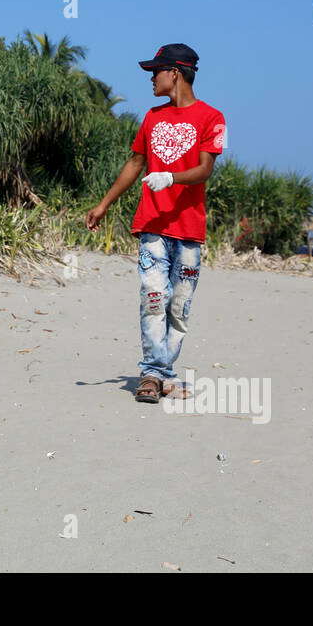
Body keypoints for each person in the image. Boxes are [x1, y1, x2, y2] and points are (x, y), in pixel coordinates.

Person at [86, 43, 226, 403]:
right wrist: (103, 204)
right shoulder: (151, 117)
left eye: (156, 71)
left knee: (178, 306)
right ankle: (152, 374)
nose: (151, 78)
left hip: (189, 230)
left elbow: (206, 169)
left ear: (175, 73)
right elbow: (135, 164)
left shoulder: (212, 118)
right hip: (152, 225)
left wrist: (171, 178)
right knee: (153, 297)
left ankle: (163, 372)